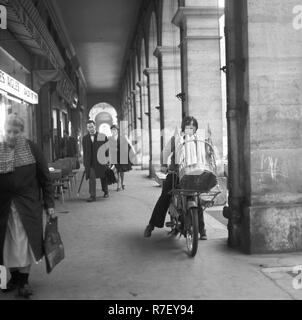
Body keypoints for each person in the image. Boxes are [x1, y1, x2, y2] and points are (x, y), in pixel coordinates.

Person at [0, 114, 55, 298]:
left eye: (16, 132)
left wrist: (49, 204)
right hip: (4, 207)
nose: (11, 135)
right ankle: (13, 277)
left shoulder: (32, 148)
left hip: (27, 205)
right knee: (6, 244)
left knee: (25, 244)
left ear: (22, 132)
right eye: (8, 131)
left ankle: (24, 282)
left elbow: (45, 178)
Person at [144, 116, 207, 240]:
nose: (190, 129)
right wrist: (164, 165)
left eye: (192, 127)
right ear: (183, 128)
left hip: (193, 174)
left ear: (196, 129)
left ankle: (202, 229)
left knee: (197, 198)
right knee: (165, 196)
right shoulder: (176, 139)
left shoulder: (198, 141)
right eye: (188, 127)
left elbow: (204, 156)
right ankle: (151, 225)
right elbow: (165, 152)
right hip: (176, 174)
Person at [82, 120, 109, 202]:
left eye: (92, 127)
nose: (91, 129)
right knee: (92, 178)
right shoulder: (85, 138)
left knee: (103, 176)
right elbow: (85, 151)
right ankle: (92, 195)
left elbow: (106, 149)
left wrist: (107, 159)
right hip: (90, 162)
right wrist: (85, 162)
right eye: (89, 127)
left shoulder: (102, 136)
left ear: (95, 127)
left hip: (101, 160)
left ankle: (105, 191)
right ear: (87, 128)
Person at [109, 125, 134, 191]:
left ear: (117, 130)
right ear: (111, 131)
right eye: (112, 130)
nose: (113, 131)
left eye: (115, 129)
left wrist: (132, 153)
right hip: (114, 157)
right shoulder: (109, 138)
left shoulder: (123, 137)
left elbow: (129, 144)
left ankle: (120, 184)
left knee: (121, 171)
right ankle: (119, 183)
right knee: (115, 171)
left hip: (122, 156)